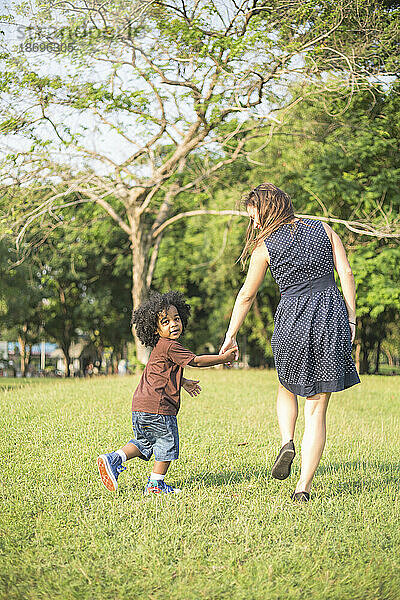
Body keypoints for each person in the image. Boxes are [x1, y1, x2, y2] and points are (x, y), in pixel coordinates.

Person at [220, 183, 360, 502]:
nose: (254, 224)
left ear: (267, 211)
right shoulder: (324, 230)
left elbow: (246, 295)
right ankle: (303, 488)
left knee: (286, 386)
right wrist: (351, 318)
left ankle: (287, 441)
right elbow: (347, 273)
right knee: (318, 408)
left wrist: (230, 336)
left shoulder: (265, 247)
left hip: (292, 320)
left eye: (255, 217)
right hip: (330, 315)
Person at [97, 290, 237, 495]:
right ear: (155, 329)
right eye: (165, 321)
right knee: (167, 443)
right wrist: (222, 358)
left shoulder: (160, 349)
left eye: (176, 319)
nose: (173, 324)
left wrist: (184, 382)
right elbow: (196, 361)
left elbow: (161, 376)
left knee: (145, 443)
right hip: (159, 409)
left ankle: (114, 458)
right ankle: (156, 485)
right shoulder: (170, 346)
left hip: (140, 407)